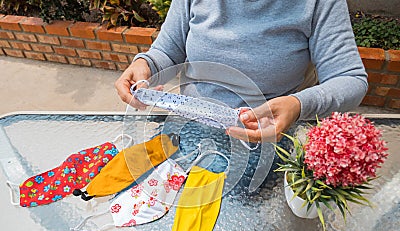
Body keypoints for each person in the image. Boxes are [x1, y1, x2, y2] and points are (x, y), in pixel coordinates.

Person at [115, 0, 367, 143]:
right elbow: (168, 51)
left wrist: (298, 105)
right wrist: (145, 65)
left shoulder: (318, 4)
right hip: (188, 130)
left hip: (270, 140)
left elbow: (350, 79)